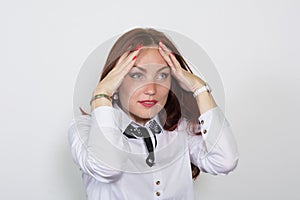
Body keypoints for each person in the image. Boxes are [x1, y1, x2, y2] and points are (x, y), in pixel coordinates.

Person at [68, 28, 239, 200]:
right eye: (137, 75)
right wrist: (102, 94)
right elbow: (107, 168)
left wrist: (199, 89)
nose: (151, 89)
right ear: (116, 80)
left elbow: (225, 162)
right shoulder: (85, 129)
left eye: (162, 75)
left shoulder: (180, 128)